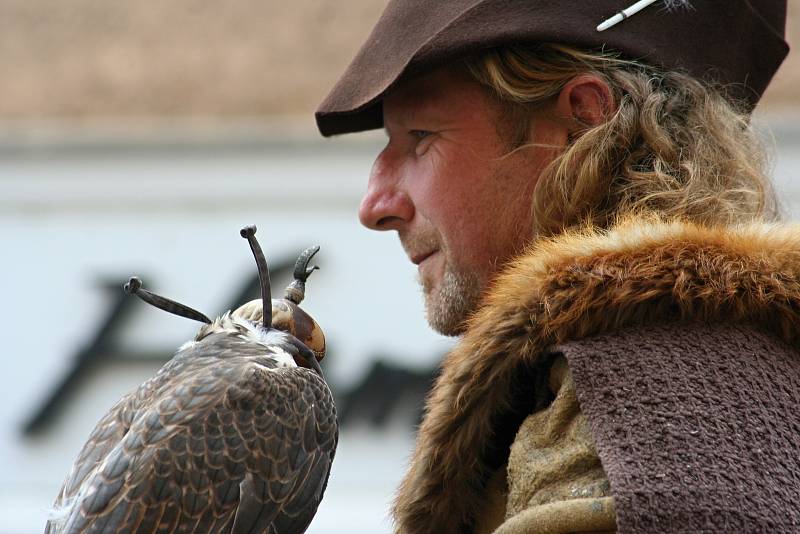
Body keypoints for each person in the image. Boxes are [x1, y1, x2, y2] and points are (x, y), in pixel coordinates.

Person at [317, 1, 799, 532]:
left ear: (581, 120)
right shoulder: (719, 372)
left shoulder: (644, 415)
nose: (374, 205)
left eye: (420, 137)